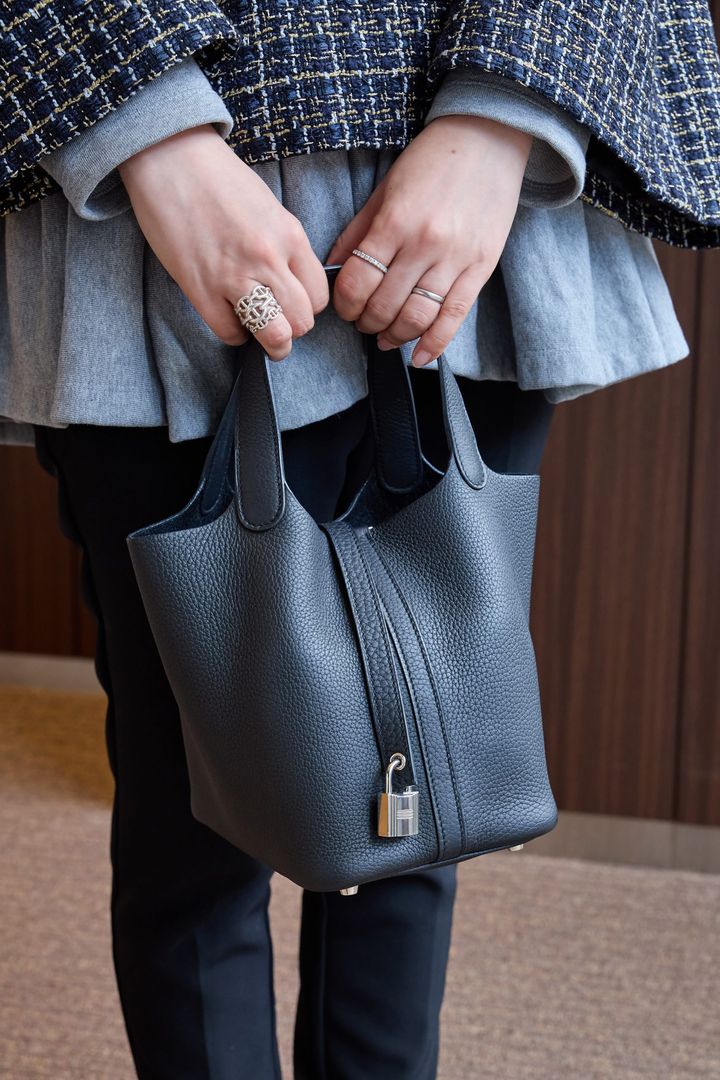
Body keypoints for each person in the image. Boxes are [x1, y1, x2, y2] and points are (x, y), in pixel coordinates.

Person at [2, 2, 719, 1077]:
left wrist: (499, 117)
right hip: (150, 205)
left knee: (429, 791)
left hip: (465, 198)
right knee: (195, 823)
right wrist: (148, 131)